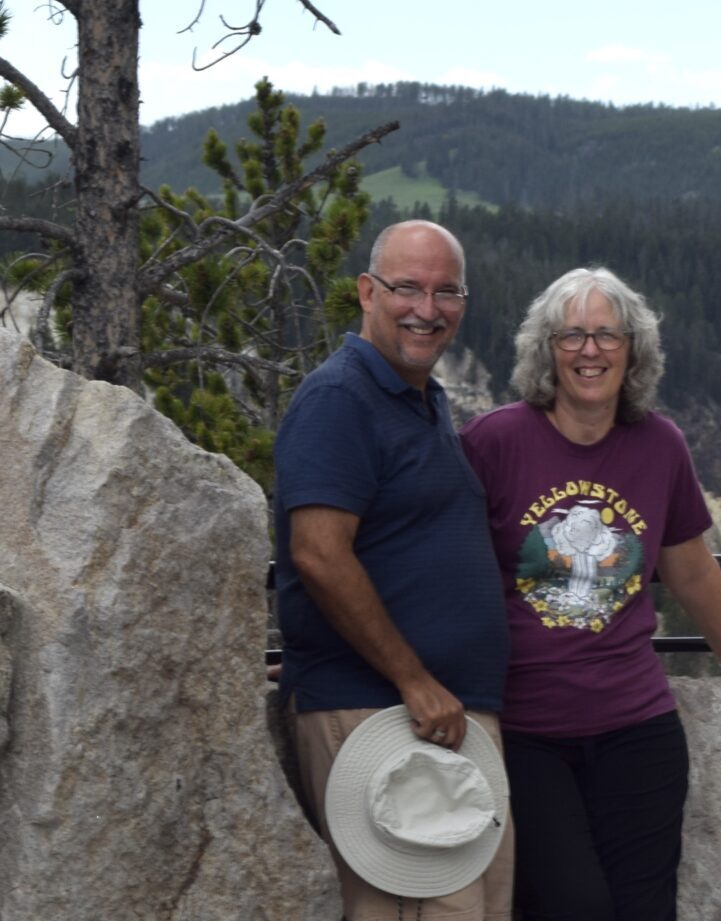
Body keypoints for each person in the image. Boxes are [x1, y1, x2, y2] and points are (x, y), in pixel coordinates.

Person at [459, 266, 721, 921]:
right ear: (546, 349)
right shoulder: (493, 443)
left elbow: (691, 570)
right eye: (572, 335)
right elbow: (441, 566)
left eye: (606, 334)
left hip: (636, 727)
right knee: (572, 905)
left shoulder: (658, 445)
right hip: (527, 732)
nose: (590, 351)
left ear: (632, 350)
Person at [274, 219, 513, 920]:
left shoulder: (419, 399)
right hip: (388, 711)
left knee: (474, 904)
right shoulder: (339, 398)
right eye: (407, 287)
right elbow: (318, 552)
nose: (426, 308)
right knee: (416, 906)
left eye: (445, 291)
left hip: (435, 714)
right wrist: (414, 678)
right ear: (366, 292)